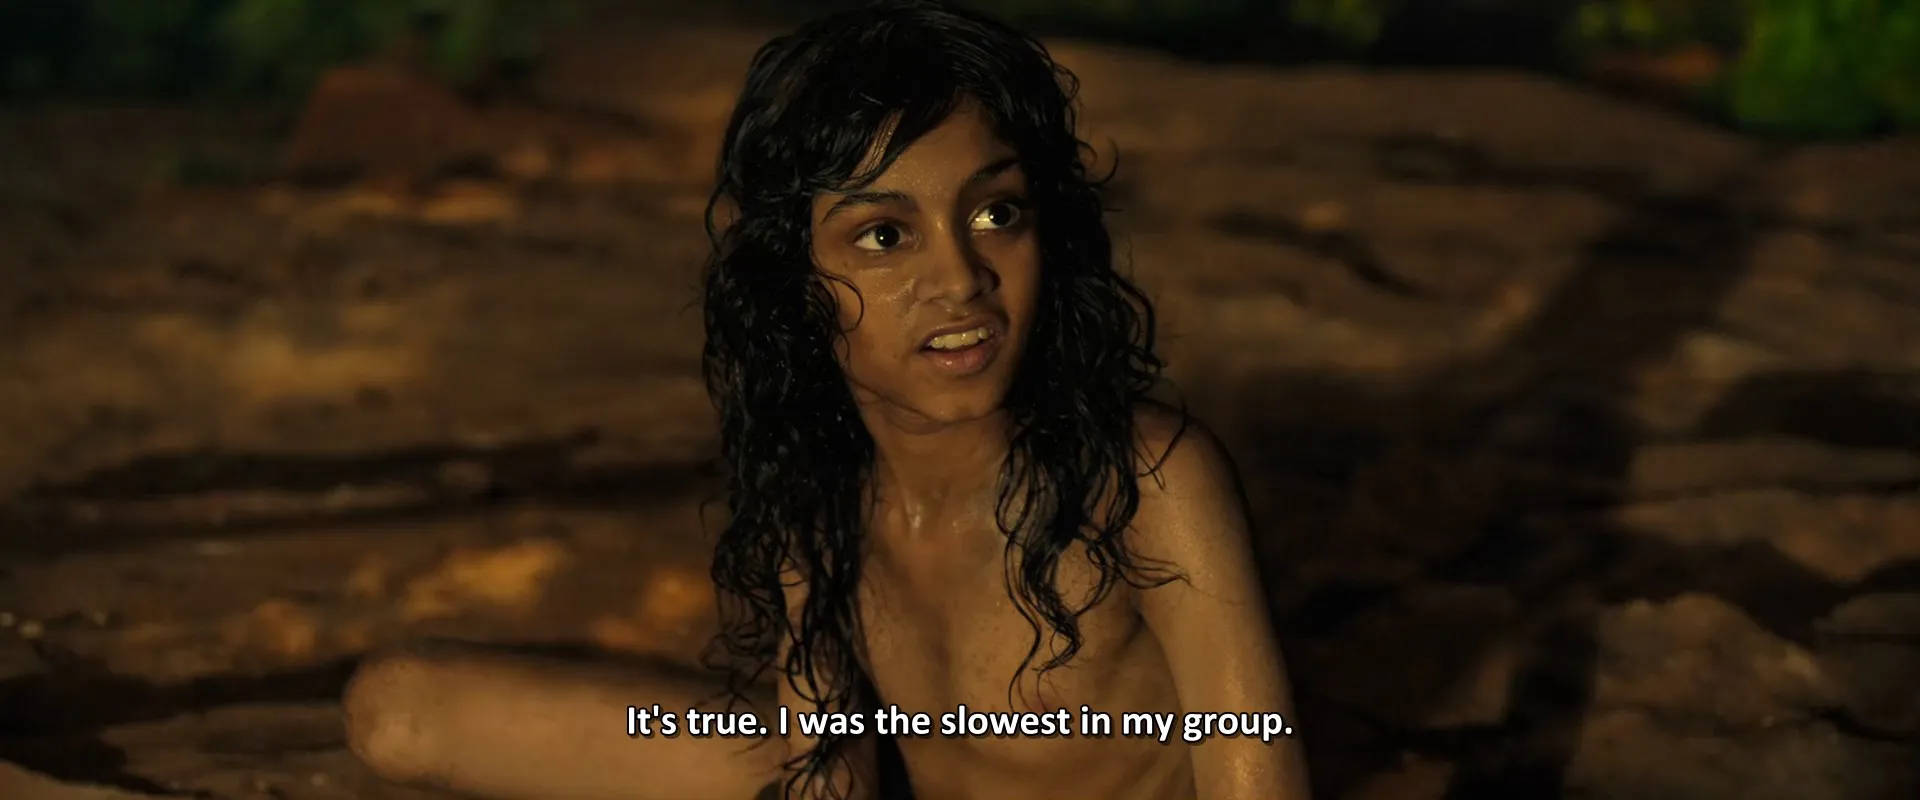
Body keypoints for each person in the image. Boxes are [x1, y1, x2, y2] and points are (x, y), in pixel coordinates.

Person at [341, 2, 1310, 798]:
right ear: (795, 286)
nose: (961, 278)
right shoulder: (827, 491)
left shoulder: (1143, 479)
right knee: (397, 706)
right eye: (884, 236)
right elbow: (827, 770)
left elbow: (1256, 763)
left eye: (995, 212)